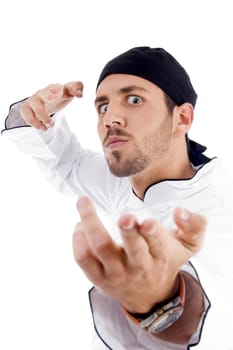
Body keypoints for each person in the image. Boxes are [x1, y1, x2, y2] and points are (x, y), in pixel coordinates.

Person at [2, 47, 233, 350]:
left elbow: (208, 312)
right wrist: (38, 113)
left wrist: (156, 302)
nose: (111, 117)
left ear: (182, 118)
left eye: (133, 99)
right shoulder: (125, 183)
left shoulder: (217, 212)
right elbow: (67, 163)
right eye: (102, 106)